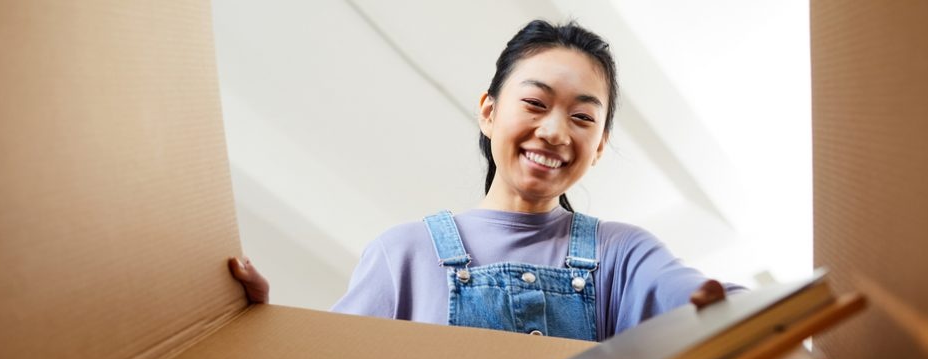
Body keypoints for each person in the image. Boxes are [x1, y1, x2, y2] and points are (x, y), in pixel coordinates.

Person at [230, 20, 740, 342]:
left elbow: (706, 301)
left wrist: (743, 312)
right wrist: (259, 328)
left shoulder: (624, 256)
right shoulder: (403, 254)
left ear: (600, 146)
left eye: (583, 118)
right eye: (535, 103)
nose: (555, 131)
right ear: (489, 112)